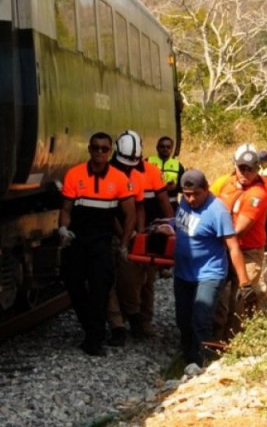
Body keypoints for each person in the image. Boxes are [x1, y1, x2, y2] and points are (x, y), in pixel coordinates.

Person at [153, 169, 248, 371]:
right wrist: (168, 226)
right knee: (183, 319)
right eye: (187, 194)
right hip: (183, 273)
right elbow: (183, 225)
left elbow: (233, 246)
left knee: (201, 319)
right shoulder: (185, 203)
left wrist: (245, 282)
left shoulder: (217, 211)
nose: (191, 198)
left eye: (196, 194)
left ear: (206, 189)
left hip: (209, 273)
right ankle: (187, 358)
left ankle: (202, 363)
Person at [59, 132, 136, 356]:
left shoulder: (119, 179)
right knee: (73, 285)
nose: (100, 152)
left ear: (110, 151)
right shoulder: (75, 175)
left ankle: (94, 339)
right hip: (77, 240)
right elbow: (66, 209)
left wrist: (123, 244)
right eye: (96, 148)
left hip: (102, 241)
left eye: (104, 149)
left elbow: (129, 213)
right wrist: (63, 229)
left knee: (100, 289)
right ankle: (91, 328)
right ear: (89, 149)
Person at [106, 130, 173, 346]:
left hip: (136, 233)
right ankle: (121, 323)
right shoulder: (108, 173)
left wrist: (140, 233)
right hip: (113, 233)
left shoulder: (140, 174)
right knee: (114, 280)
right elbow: (110, 213)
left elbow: (140, 207)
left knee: (143, 280)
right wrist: (125, 237)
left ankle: (139, 321)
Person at [210, 144, 267, 341]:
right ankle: (215, 340)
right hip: (225, 246)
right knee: (218, 296)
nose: (245, 173)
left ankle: (235, 342)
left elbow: (239, 230)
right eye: (241, 168)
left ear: (257, 169)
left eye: (250, 169)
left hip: (248, 251)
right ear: (234, 166)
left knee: (241, 298)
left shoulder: (257, 194)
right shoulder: (225, 184)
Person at [147, 136, 184, 208]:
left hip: (171, 203)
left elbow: (184, 188)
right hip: (151, 204)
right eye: (162, 146)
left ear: (171, 149)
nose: (165, 149)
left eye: (168, 147)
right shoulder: (148, 162)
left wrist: (176, 187)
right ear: (157, 148)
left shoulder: (177, 165)